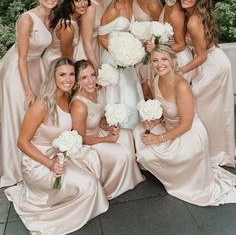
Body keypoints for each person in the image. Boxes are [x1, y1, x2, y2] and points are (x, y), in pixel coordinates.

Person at [4, 58, 109, 235]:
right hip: (39, 164)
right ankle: (57, 215)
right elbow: (22, 142)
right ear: (53, 77)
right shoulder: (42, 104)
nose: (67, 79)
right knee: (90, 185)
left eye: (71, 75)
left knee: (92, 159)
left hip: (59, 156)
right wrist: (50, 164)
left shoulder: (67, 97)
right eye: (62, 75)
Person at [133, 45, 236, 206]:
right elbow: (164, 111)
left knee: (150, 151)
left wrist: (158, 138)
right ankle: (172, 172)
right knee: (138, 131)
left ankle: (181, 178)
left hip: (188, 135)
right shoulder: (156, 79)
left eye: (164, 59)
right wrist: (154, 121)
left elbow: (186, 124)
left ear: (174, 61)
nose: (160, 64)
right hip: (169, 126)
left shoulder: (181, 86)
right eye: (155, 60)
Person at [0, 0, 61, 187]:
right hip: (18, 70)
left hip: (36, 67)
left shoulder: (52, 17)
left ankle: (32, 160)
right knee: (19, 113)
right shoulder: (27, 19)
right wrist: (27, 91)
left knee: (34, 117)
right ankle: (14, 167)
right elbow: (21, 58)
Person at [179, 0, 235, 167]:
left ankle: (213, 153)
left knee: (207, 111)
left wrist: (181, 71)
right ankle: (217, 150)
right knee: (217, 111)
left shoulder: (193, 21)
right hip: (214, 61)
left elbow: (201, 55)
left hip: (212, 66)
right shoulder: (194, 13)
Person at [70, 60, 144, 199]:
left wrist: (106, 124)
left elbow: (98, 116)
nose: (90, 81)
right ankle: (111, 187)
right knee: (125, 153)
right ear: (77, 81)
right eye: (84, 77)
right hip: (89, 143)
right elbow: (79, 139)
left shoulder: (96, 91)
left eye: (92, 75)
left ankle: (129, 178)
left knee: (127, 134)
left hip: (99, 131)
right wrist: (107, 139)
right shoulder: (79, 105)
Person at [98, 0, 144, 129]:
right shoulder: (113, 9)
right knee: (122, 92)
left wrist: (131, 52)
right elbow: (101, 37)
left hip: (128, 57)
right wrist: (117, 53)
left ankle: (135, 129)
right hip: (114, 58)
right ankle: (122, 129)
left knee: (133, 91)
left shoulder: (132, 2)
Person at [155, 0, 193, 83]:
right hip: (168, 58)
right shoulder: (168, 4)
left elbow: (181, 44)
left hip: (179, 61)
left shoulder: (176, 11)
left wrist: (157, 50)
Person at [43, 0, 90, 70]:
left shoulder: (76, 17)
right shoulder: (68, 28)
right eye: (77, 0)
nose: (83, 4)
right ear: (69, 2)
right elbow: (67, 60)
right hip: (55, 66)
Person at [132, 0, 163, 99]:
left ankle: (155, 116)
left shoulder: (153, 2)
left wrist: (152, 44)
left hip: (148, 53)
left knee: (147, 88)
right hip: (134, 49)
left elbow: (161, 30)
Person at [81, 0, 110, 69]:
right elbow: (86, 42)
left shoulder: (105, 3)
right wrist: (96, 68)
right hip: (87, 55)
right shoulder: (90, 7)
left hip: (100, 52)